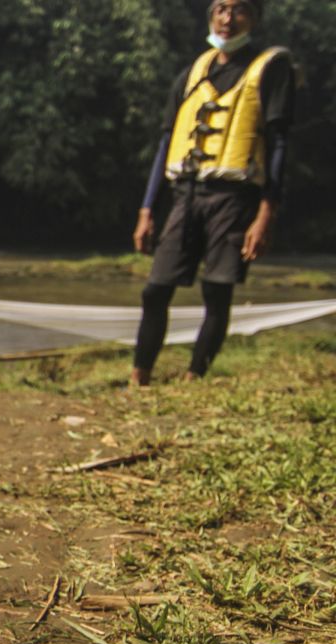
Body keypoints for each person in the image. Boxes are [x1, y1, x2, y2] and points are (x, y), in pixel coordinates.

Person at [130, 0, 294, 386]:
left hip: (235, 198)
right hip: (186, 192)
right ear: (210, 16)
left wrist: (266, 214)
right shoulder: (193, 72)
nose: (227, 18)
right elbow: (167, 140)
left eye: (238, 10)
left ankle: (194, 377)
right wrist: (147, 208)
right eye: (220, 8)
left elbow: (280, 143)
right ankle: (139, 377)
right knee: (155, 289)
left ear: (253, 18)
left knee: (216, 291)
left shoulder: (270, 69)